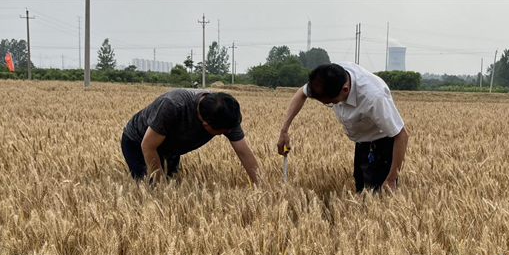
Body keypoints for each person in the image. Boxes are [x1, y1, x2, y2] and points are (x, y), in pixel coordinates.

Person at [276, 62, 409, 193]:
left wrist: (392, 178)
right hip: (361, 142)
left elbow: (401, 135)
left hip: (381, 145)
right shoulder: (325, 79)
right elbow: (301, 93)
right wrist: (284, 130)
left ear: (345, 90)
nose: (329, 105)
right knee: (361, 191)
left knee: (377, 196)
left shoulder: (373, 98)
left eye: (330, 103)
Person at [122, 89, 259, 184]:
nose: (229, 133)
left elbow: (243, 152)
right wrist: (158, 183)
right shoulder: (173, 105)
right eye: (224, 132)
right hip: (138, 142)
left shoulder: (225, 115)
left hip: (171, 148)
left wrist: (261, 185)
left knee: (173, 183)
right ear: (206, 126)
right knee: (146, 186)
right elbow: (148, 146)